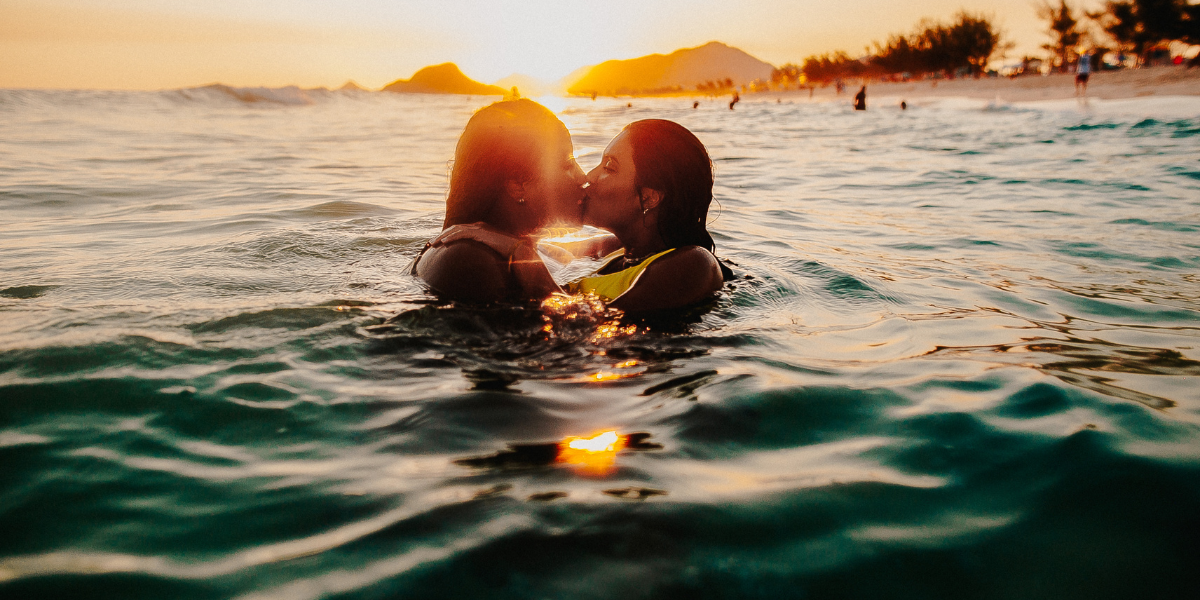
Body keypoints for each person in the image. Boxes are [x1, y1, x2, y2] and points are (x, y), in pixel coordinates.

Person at [431, 119, 729, 312]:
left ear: (649, 195)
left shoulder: (693, 266)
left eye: (609, 167)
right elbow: (551, 251)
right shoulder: (611, 249)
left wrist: (518, 251)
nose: (588, 177)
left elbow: (589, 330)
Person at [412, 99, 587, 302]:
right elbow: (572, 329)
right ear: (517, 186)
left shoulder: (533, 250)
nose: (583, 177)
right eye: (567, 165)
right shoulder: (471, 261)